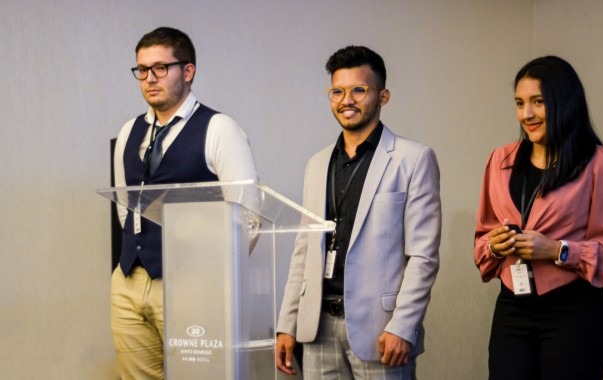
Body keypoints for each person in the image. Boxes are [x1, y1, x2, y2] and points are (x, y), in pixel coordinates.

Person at [275, 45, 441, 379]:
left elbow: (423, 256)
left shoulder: (413, 159)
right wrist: (287, 323)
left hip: (381, 331)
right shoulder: (317, 163)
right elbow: (303, 249)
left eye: (359, 90)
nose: (346, 100)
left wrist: (404, 326)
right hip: (318, 327)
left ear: (383, 96)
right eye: (337, 91)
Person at [474, 56, 603, 380]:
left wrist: (557, 250)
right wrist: (493, 246)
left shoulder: (600, 164)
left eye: (538, 102)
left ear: (563, 102)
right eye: (520, 103)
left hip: (574, 313)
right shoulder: (500, 160)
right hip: (512, 308)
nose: (527, 114)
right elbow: (482, 238)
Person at [111, 27, 258, 379]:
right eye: (142, 70)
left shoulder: (219, 128)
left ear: (188, 71)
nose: (149, 78)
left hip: (192, 285)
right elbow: (124, 208)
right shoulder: (129, 131)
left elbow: (248, 219)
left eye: (161, 68)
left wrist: (208, 278)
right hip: (129, 279)